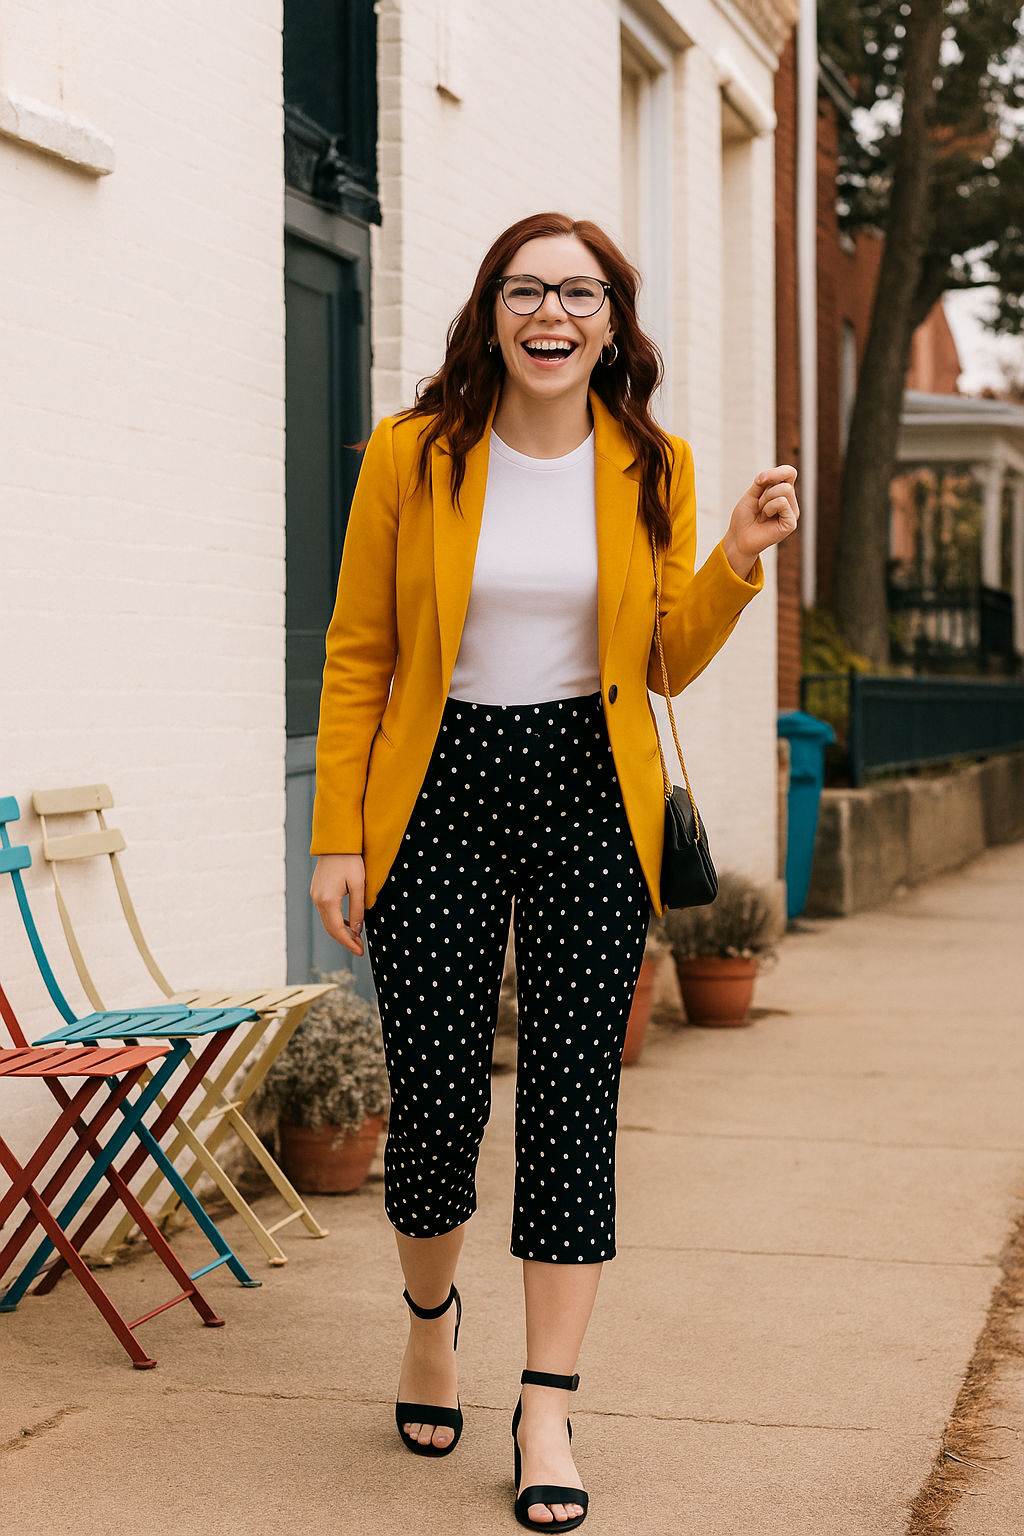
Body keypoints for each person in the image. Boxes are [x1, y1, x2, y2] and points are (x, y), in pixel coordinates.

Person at [310, 211, 798, 1530]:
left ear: (610, 322)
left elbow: (660, 659)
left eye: (579, 292)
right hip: (440, 792)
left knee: (575, 1108)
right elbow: (360, 652)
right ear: (493, 312)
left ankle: (546, 1406)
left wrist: (736, 560)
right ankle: (428, 1325)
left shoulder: (653, 461)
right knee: (440, 1111)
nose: (553, 312)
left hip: (593, 792)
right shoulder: (417, 457)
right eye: (528, 289)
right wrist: (338, 837)